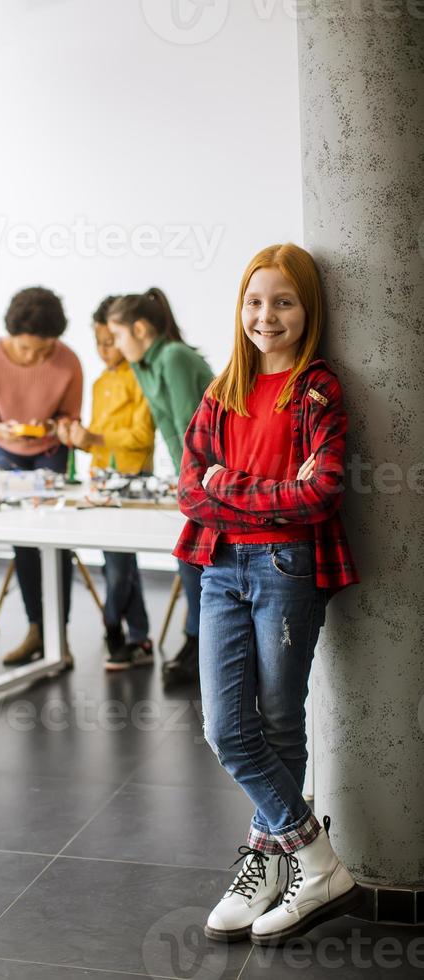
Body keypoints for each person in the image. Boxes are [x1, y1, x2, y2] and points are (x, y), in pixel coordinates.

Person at [174, 243, 361, 945]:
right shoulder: (223, 388)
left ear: (307, 309)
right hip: (219, 568)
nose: (266, 315)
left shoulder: (318, 390)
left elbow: (322, 494)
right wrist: (261, 495)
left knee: (281, 724)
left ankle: (267, 865)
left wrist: (232, 489)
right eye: (255, 301)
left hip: (288, 569)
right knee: (227, 729)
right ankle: (317, 863)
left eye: (283, 301)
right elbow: (190, 488)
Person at [107, 288, 214, 688]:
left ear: (139, 328)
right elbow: (167, 429)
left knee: (192, 558)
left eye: (118, 335)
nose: (115, 345)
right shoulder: (143, 365)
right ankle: (194, 642)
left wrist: (191, 480)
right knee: (187, 555)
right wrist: (180, 479)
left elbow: (191, 425)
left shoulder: (172, 357)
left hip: (218, 474)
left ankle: (196, 643)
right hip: (193, 477)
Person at [0, 286, 82, 669]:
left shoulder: (68, 361)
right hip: (7, 454)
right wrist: (1, 430)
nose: (35, 357)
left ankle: (59, 634)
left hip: (52, 453)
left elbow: (71, 417)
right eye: (25, 350)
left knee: (58, 544)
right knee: (23, 544)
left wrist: (54, 424)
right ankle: (36, 628)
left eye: (43, 349)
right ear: (10, 335)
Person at [58, 296, 155, 671]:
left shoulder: (140, 376)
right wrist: (79, 439)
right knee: (119, 565)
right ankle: (140, 637)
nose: (104, 349)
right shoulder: (99, 384)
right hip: (100, 482)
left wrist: (94, 438)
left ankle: (113, 623)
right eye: (99, 342)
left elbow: (141, 437)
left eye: (111, 340)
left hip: (132, 481)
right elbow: (97, 439)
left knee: (118, 569)